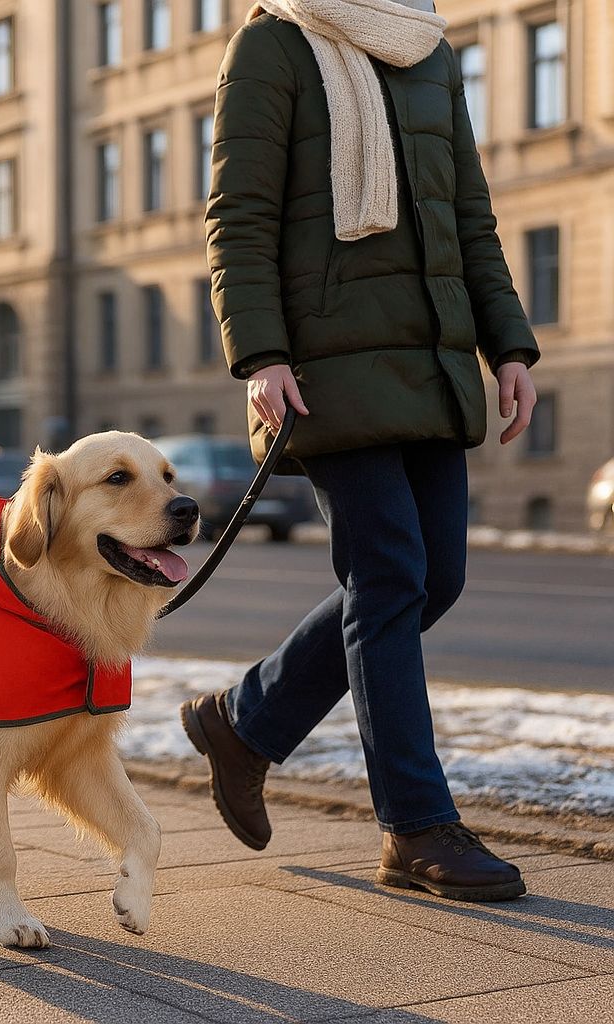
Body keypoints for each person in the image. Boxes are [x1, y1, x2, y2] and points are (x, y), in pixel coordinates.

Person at [180, 0, 539, 902]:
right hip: (325, 368)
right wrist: (259, 354)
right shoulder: (274, 43)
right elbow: (240, 213)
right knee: (388, 575)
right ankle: (415, 827)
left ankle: (245, 722)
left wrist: (510, 347)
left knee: (435, 577)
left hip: (429, 360)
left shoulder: (427, 50)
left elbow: (469, 213)